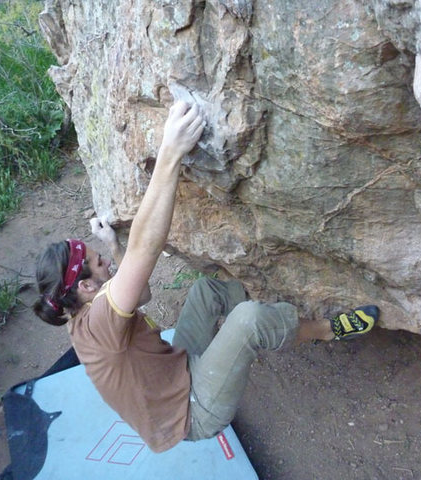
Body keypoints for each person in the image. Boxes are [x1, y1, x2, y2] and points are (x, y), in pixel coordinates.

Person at [33, 101, 379, 453]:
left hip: (178, 368)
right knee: (248, 321)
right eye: (98, 260)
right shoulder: (98, 326)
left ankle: (281, 324)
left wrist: (114, 245)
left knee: (207, 290)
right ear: (86, 287)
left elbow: (143, 294)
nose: (105, 259)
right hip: (194, 410)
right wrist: (170, 153)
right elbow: (145, 252)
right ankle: (328, 330)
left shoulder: (84, 309)